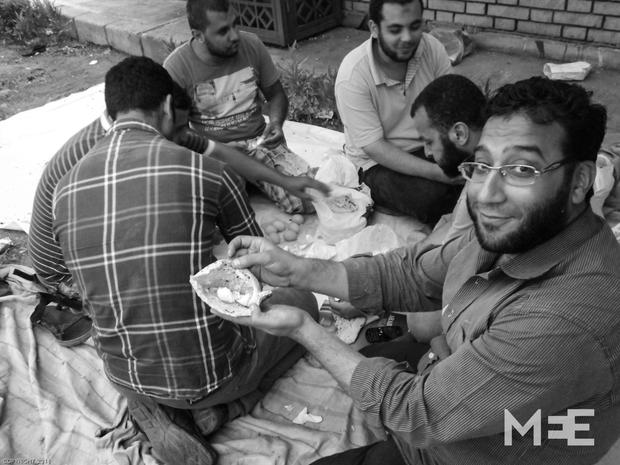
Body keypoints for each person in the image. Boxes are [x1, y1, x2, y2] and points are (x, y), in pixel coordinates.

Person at [222, 77, 620, 465]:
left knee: (371, 386)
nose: (487, 195)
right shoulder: (518, 230)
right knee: (372, 357)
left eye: (522, 170)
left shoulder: (566, 318)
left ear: (579, 181)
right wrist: (298, 270)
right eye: (482, 166)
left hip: (468, 449)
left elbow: (417, 413)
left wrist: (303, 329)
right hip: (450, 378)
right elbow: (415, 274)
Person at [52, 57, 318, 465]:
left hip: (122, 371)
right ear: (165, 106)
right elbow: (258, 268)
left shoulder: (65, 187)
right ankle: (218, 412)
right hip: (210, 376)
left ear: (111, 110)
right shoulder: (208, 172)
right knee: (303, 307)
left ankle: (154, 406)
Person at [29, 81, 323, 295]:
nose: (184, 138)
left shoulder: (148, 129)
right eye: (179, 129)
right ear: (163, 112)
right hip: (67, 274)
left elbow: (221, 153)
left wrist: (284, 181)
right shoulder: (102, 158)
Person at [164, 0, 325, 214]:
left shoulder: (252, 45)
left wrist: (276, 123)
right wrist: (216, 151)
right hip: (214, 152)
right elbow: (178, 133)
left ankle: (256, 181)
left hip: (260, 143)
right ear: (198, 35)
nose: (234, 36)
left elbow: (276, 95)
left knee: (309, 199)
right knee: (213, 211)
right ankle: (245, 184)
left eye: (235, 24)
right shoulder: (176, 68)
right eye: (223, 31)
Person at [335, 0, 462, 223]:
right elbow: (375, 147)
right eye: (395, 29)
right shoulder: (353, 75)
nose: (407, 38)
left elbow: (451, 102)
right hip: (376, 163)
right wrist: (438, 173)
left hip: (428, 145)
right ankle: (379, 197)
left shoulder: (431, 48)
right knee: (433, 198)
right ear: (374, 28)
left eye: (414, 26)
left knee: (485, 165)